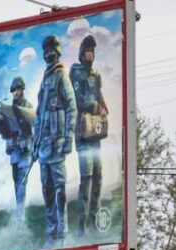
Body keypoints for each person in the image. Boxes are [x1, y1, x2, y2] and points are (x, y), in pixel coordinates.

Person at [34, 34, 77, 248]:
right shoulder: (44, 79)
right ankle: (51, 232)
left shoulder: (61, 75)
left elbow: (71, 107)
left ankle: (63, 231)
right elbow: (39, 116)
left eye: (52, 50)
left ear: (57, 52)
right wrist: (34, 144)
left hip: (57, 143)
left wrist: (69, 137)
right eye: (46, 51)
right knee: (47, 190)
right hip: (43, 148)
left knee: (60, 188)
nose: (49, 54)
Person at [70, 34, 109, 236]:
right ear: (81, 53)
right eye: (87, 50)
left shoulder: (96, 75)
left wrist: (104, 108)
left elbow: (99, 96)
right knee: (86, 179)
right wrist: (96, 107)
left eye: (92, 51)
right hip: (82, 133)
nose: (90, 54)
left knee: (98, 176)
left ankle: (94, 218)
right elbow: (80, 100)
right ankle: (81, 224)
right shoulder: (76, 73)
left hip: (95, 133)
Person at [0, 76, 36, 228]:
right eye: (14, 90)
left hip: (25, 151)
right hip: (15, 153)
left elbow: (33, 127)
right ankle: (19, 213)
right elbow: (6, 132)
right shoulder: (9, 110)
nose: (16, 92)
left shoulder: (28, 107)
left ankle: (20, 218)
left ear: (22, 89)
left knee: (22, 183)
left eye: (18, 89)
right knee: (17, 184)